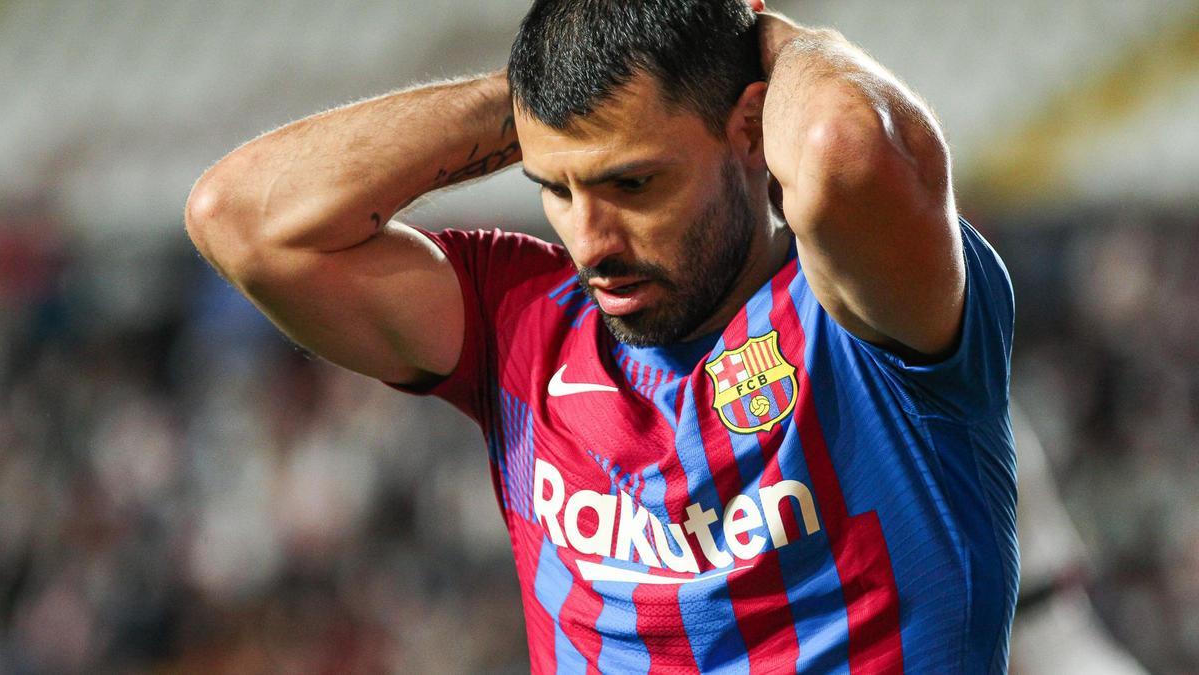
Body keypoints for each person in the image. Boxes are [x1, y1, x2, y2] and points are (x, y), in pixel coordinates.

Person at [185, 0, 1017, 672]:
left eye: (631, 181)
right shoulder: (524, 324)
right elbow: (242, 221)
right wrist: (546, 98)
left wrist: (755, 34)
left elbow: (844, 149)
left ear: (749, 127)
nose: (591, 241)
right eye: (555, 186)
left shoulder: (868, 324)